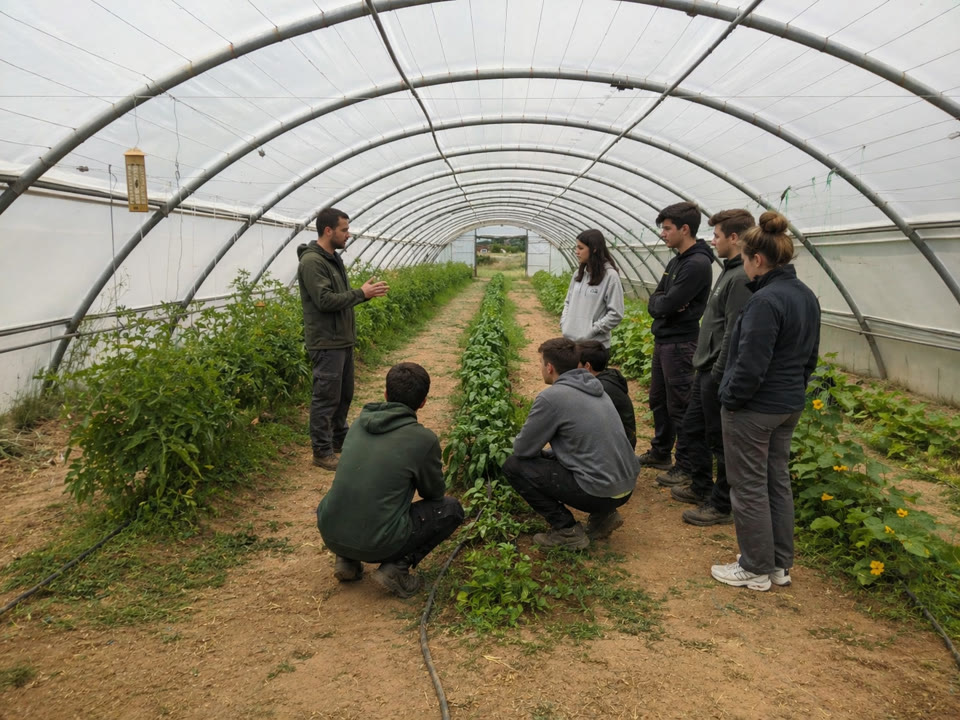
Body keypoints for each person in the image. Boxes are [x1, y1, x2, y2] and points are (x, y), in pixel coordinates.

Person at [711, 211, 820, 591]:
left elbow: (750, 365)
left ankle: (755, 566)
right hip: (787, 405)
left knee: (748, 485)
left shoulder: (764, 302)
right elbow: (809, 359)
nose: (743, 265)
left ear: (757, 259)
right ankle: (778, 565)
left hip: (755, 409)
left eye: (743, 258)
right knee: (776, 481)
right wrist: (792, 391)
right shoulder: (805, 296)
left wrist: (731, 399)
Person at [316, 362, 465, 598]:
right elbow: (434, 494)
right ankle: (396, 568)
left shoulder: (357, 424)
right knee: (451, 510)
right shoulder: (422, 439)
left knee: (356, 493)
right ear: (423, 402)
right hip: (380, 541)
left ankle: (346, 558)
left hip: (330, 529)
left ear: (385, 394)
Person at [502, 338, 639, 550]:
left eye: (540, 363)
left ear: (549, 367)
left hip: (599, 492)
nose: (540, 368)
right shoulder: (597, 388)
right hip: (626, 486)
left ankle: (566, 531)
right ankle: (604, 518)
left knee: (514, 465)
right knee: (552, 455)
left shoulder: (552, 397)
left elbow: (523, 449)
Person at [666, 210, 755, 527]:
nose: (712, 240)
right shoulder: (730, 270)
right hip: (704, 369)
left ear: (734, 238)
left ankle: (720, 504)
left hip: (715, 372)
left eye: (716, 235)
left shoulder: (742, 277)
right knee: (694, 430)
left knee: (720, 442)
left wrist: (718, 372)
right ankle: (701, 486)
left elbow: (733, 331)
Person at [297, 207, 389, 471]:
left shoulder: (332, 259)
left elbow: (340, 298)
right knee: (326, 397)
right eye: (344, 230)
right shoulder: (313, 262)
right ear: (328, 231)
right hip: (326, 342)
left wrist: (362, 293)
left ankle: (339, 440)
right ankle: (322, 451)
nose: (348, 235)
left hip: (341, 340)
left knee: (343, 394)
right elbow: (325, 301)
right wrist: (361, 293)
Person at [636, 202, 714, 478]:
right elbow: (657, 301)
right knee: (659, 399)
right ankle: (661, 452)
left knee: (680, 404)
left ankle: (686, 464)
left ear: (685, 229)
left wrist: (664, 303)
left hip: (681, 343)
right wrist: (663, 303)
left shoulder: (697, 263)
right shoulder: (677, 260)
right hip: (665, 339)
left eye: (667, 229)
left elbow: (666, 303)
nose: (663, 234)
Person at [560, 229, 625, 348]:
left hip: (594, 347)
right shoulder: (578, 275)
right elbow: (568, 302)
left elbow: (616, 313)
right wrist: (565, 323)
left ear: (594, 249)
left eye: (581, 248)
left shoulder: (610, 276)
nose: (576, 252)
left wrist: (592, 330)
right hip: (571, 344)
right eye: (576, 248)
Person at [577, 340, 636, 449]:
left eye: (577, 363)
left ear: (587, 366)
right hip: (622, 446)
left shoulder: (600, 389)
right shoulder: (610, 377)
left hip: (616, 451)